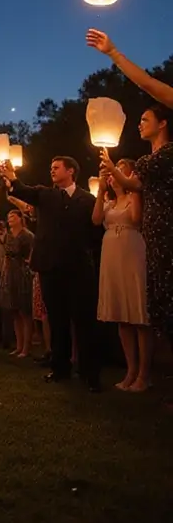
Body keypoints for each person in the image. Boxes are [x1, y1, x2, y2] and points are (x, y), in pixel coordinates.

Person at [0, 156, 101, 392]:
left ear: (71, 171)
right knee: (57, 320)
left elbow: (95, 233)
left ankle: (89, 372)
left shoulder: (87, 199)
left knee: (83, 321)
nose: (52, 171)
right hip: (50, 268)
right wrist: (11, 176)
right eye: (50, 167)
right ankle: (60, 368)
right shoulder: (45, 194)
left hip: (78, 268)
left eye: (56, 168)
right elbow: (22, 190)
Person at [99, 104, 173, 342]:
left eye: (145, 119)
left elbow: (134, 185)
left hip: (166, 233)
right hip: (154, 237)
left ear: (162, 124)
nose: (139, 124)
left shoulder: (167, 154)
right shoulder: (149, 159)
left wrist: (113, 168)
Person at [93, 158, 151, 391]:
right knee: (122, 317)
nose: (112, 174)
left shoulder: (134, 196)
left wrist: (128, 188)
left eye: (119, 170)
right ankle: (130, 370)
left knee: (138, 315)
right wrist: (99, 191)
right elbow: (96, 220)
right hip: (111, 255)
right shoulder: (109, 203)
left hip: (132, 251)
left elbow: (136, 219)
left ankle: (144, 375)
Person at [0, 210, 34, 357]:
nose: (10, 219)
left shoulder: (27, 235)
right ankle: (18, 345)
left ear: (20, 218)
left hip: (22, 274)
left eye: (13, 216)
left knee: (25, 312)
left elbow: (31, 253)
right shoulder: (9, 235)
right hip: (9, 273)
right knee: (15, 311)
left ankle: (26, 347)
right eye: (8, 216)